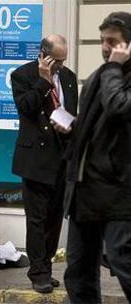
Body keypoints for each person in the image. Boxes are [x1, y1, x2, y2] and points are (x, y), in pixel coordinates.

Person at [62, 12, 131, 303]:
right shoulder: (99, 75)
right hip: (84, 188)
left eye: (112, 42)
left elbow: (120, 107)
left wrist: (115, 67)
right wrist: (69, 126)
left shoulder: (112, 73)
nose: (105, 48)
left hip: (119, 189)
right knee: (78, 268)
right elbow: (91, 124)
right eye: (103, 41)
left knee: (123, 260)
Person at [10, 34, 78, 293]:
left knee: (54, 220)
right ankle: (37, 273)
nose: (60, 66)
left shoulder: (69, 78)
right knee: (36, 220)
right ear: (44, 54)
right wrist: (44, 80)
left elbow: (71, 112)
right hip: (35, 160)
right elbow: (25, 107)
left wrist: (69, 127)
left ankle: (46, 267)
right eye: (56, 61)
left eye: (63, 60)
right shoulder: (23, 75)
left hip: (61, 157)